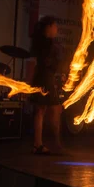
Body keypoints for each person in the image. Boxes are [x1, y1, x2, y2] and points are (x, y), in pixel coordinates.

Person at [30, 16, 64, 155]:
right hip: (45, 79)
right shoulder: (47, 44)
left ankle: (39, 144)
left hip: (42, 78)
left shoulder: (40, 42)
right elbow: (47, 62)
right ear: (49, 27)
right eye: (55, 26)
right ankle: (54, 144)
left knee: (41, 111)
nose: (57, 29)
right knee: (52, 110)